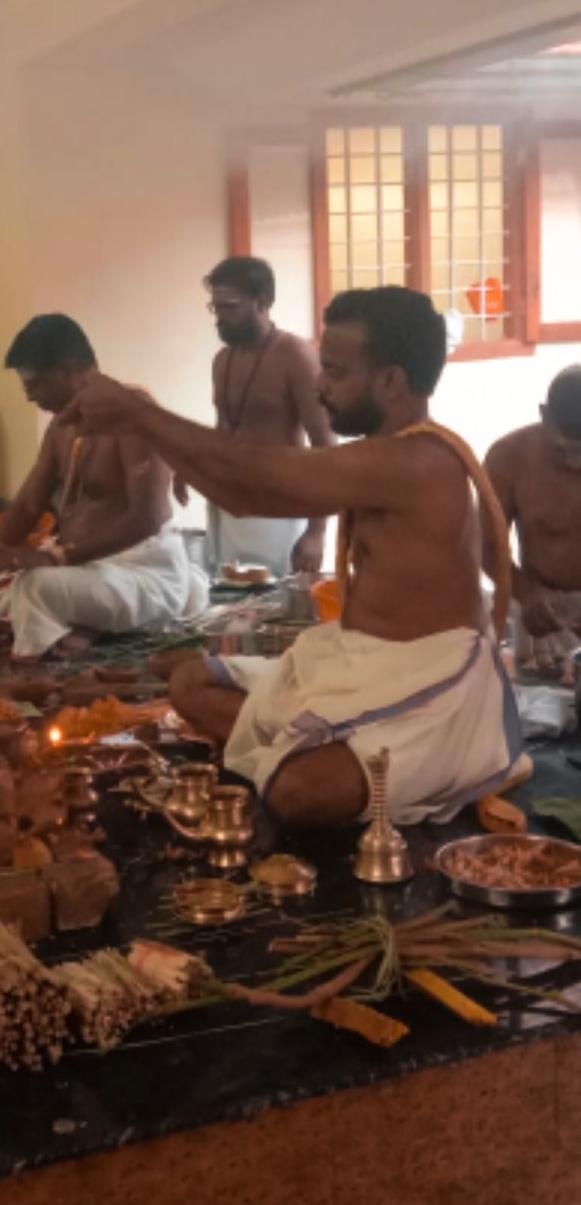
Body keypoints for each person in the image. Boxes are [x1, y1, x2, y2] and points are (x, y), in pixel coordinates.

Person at [62, 287, 522, 828]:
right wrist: (151, 427)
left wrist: (140, 414)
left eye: (335, 371)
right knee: (190, 684)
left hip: (430, 689)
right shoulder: (385, 452)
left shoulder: (416, 462)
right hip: (359, 662)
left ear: (392, 382)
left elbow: (252, 486)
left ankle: (334, 756)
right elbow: (241, 486)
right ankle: (306, 743)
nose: (320, 386)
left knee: (297, 793)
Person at [0, 314, 208, 659]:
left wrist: (58, 556)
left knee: (34, 588)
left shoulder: (132, 415)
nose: (29, 396)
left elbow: (149, 518)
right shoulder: (61, 428)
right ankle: (84, 628)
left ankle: (59, 648)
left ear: (67, 370)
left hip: (143, 573)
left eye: (34, 384)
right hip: (88, 571)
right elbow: (26, 507)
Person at [195, 256, 333, 577]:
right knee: (230, 611)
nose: (220, 318)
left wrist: (317, 532)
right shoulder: (222, 360)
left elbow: (325, 445)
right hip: (229, 508)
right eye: (215, 308)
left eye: (230, 307)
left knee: (278, 617)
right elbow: (224, 432)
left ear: (263, 302)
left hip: (281, 511)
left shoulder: (296, 356)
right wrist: (193, 466)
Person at [485, 366, 581, 678]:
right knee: (542, 713)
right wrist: (527, 594)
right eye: (565, 449)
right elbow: (486, 545)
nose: (574, 464)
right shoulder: (508, 457)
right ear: (544, 416)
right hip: (540, 609)